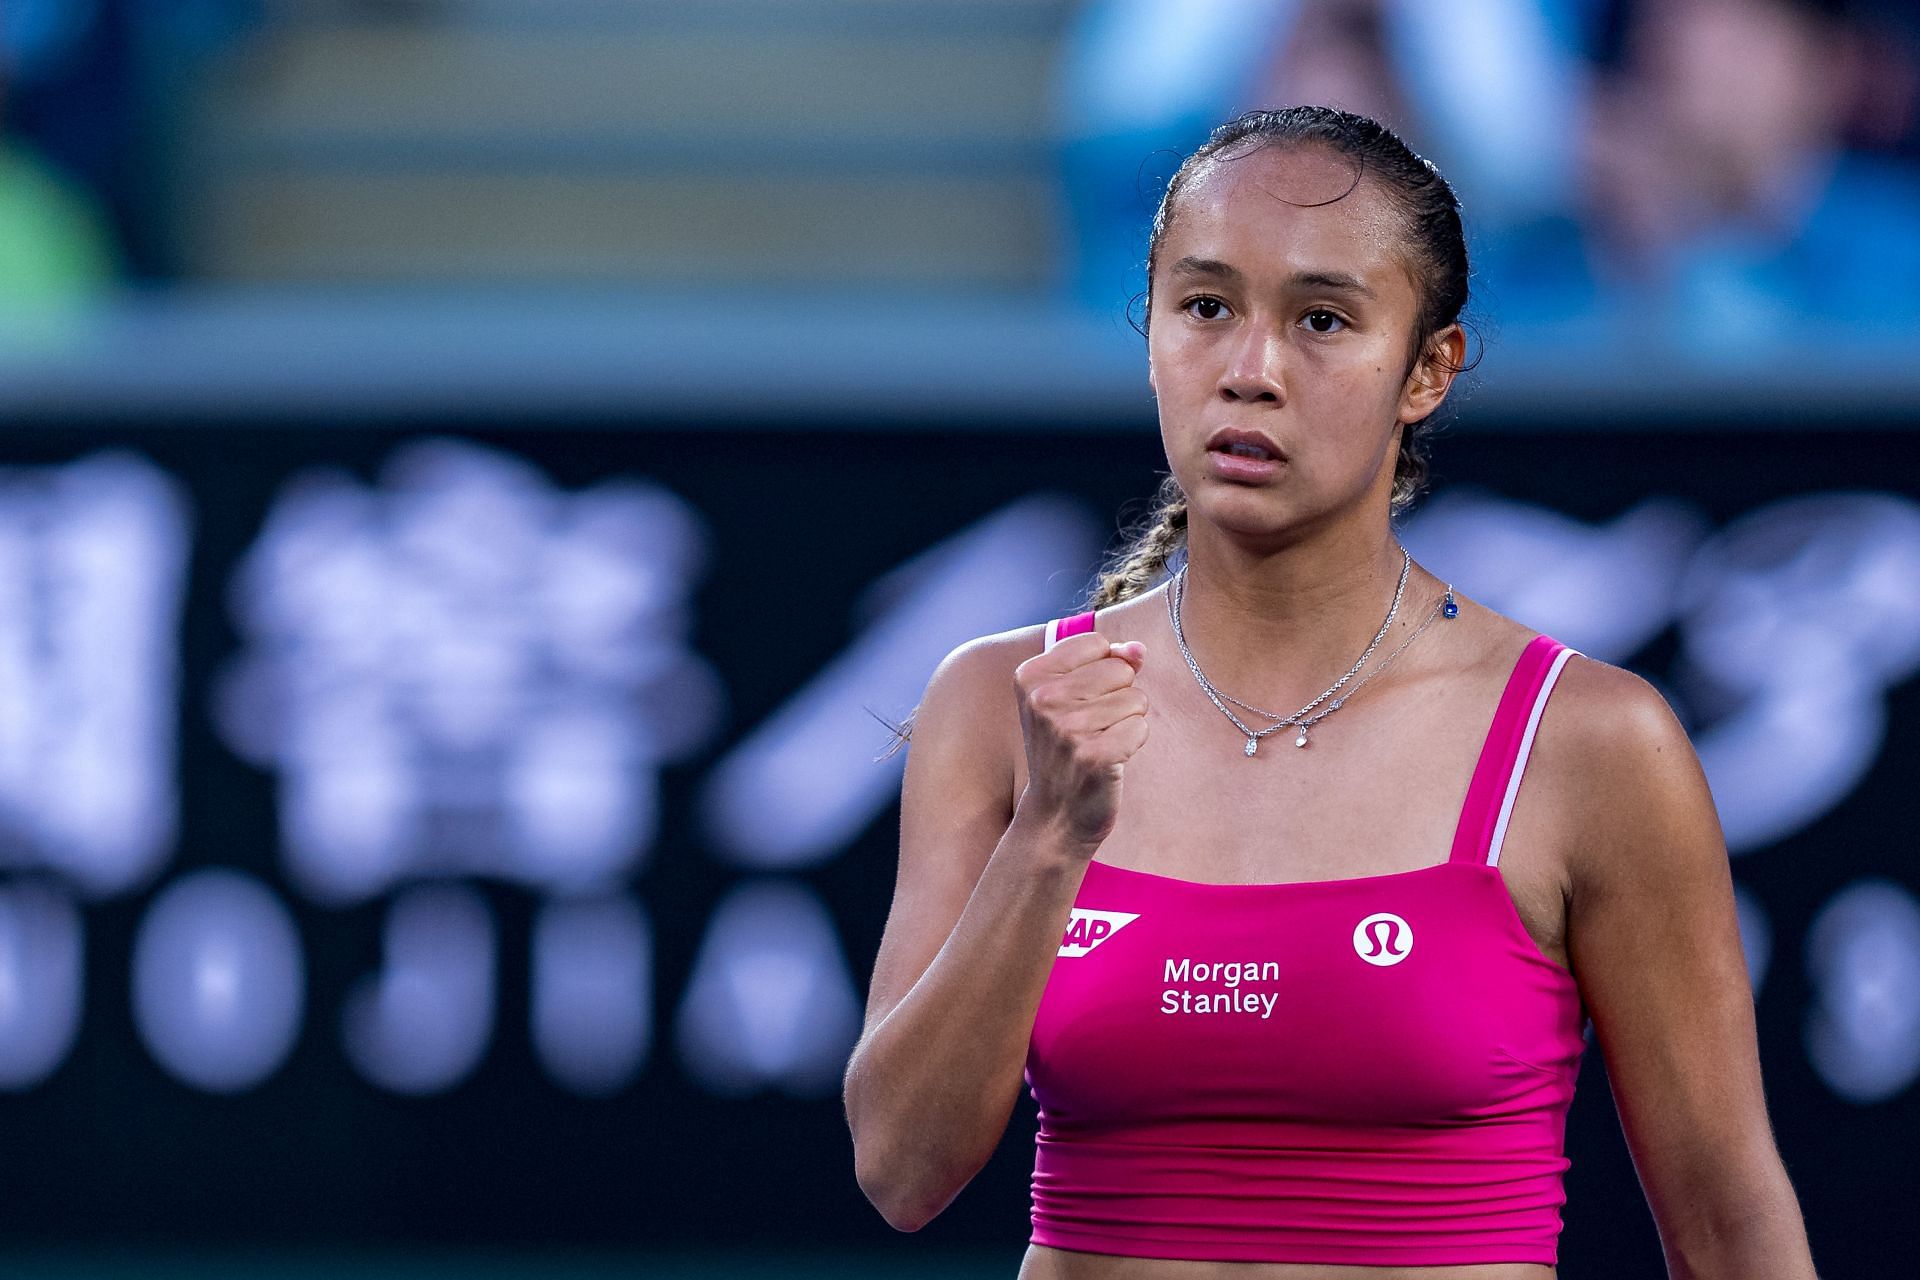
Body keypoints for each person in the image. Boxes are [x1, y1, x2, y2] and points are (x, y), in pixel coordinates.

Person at [844, 105, 1819, 1279]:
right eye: (1205, 307)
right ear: (1147, 329)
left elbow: (1726, 1223)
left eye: (1321, 319)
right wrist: (1047, 841)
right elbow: (902, 1168)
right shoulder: (1005, 702)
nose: (1251, 370)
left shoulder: (1589, 740)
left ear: (1428, 369)